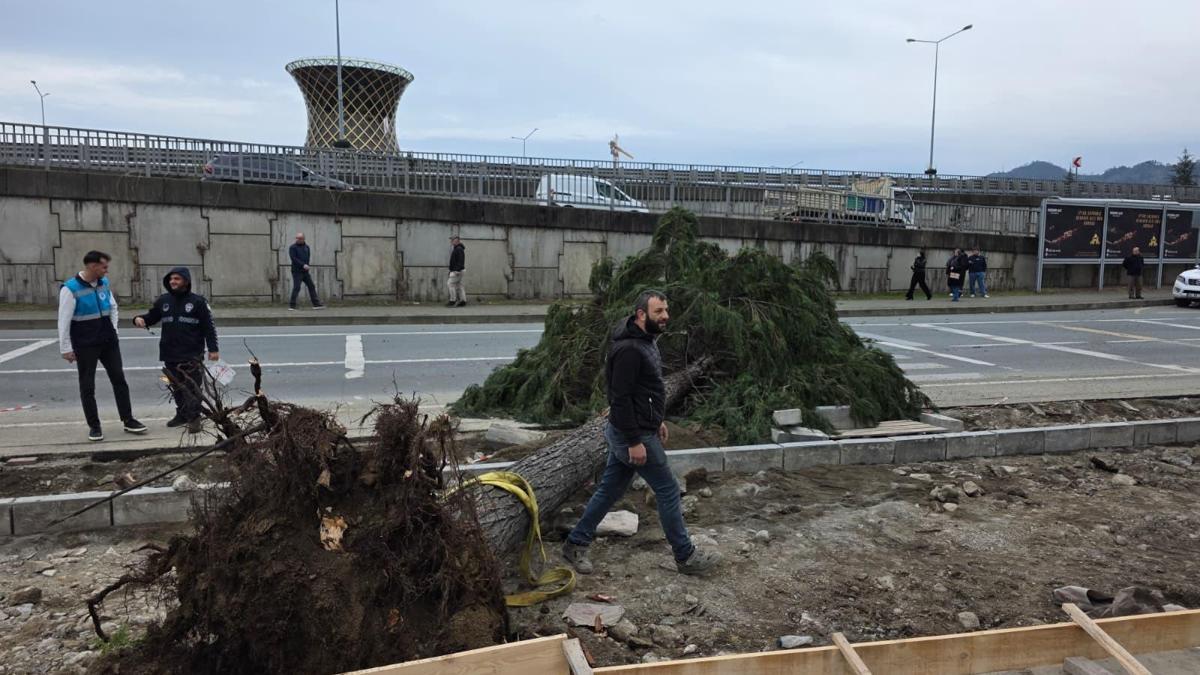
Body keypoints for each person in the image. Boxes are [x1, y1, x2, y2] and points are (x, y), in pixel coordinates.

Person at [561, 290, 719, 576]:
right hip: (631, 434)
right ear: (641, 314)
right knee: (668, 489)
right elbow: (619, 399)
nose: (666, 316)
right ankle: (686, 557)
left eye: (666, 310)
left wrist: (657, 419)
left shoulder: (646, 340)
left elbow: (645, 390)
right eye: (659, 311)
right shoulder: (630, 350)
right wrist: (634, 440)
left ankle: (575, 543)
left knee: (609, 489)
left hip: (640, 428)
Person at [57, 250, 147, 442]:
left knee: (119, 380)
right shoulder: (70, 288)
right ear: (92, 266)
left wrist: (114, 330)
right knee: (87, 386)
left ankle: (128, 419)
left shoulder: (103, 283)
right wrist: (66, 348)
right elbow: (63, 321)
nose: (106, 271)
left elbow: (113, 307)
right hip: (86, 344)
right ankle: (94, 426)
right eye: (104, 267)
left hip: (108, 342)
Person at [134, 267, 219, 434]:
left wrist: (213, 349)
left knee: (192, 388)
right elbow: (151, 316)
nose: (173, 282)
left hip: (191, 354)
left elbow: (208, 327)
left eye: (177, 279)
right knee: (176, 386)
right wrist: (139, 319)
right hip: (169, 353)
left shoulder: (198, 302)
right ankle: (181, 414)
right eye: (171, 279)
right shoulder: (163, 301)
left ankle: (194, 419)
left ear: (186, 282)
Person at [288, 233, 325, 310]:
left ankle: (316, 304)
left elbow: (307, 257)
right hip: (297, 271)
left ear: (303, 239)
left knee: (311, 286)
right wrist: (303, 265)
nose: (297, 239)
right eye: (297, 238)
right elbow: (294, 258)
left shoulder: (307, 247)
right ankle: (292, 305)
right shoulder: (292, 247)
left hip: (305, 272)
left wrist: (307, 265)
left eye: (299, 238)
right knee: (297, 287)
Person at [447, 235, 467, 307]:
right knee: (459, 285)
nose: (451, 241)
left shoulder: (458, 249)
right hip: (458, 270)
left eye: (452, 240)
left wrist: (457, 270)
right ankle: (463, 301)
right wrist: (451, 269)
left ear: (457, 241)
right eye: (451, 240)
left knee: (450, 283)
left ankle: (453, 300)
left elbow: (460, 261)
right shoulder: (457, 248)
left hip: (458, 271)